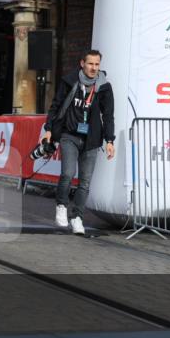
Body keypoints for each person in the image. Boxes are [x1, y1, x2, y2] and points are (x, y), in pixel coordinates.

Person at [43, 49, 115, 235]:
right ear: (82, 63)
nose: (94, 68)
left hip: (91, 139)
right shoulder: (69, 81)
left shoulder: (104, 87)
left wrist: (109, 140)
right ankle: (61, 205)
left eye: (97, 64)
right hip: (69, 135)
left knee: (85, 182)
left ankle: (77, 218)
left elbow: (108, 116)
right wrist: (49, 129)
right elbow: (56, 105)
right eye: (90, 64)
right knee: (67, 174)